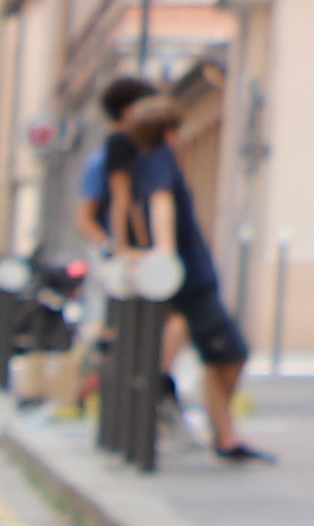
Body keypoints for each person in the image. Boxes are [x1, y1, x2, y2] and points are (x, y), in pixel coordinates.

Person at [85, 65, 267, 459]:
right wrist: (162, 249)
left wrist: (136, 247)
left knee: (213, 352)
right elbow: (158, 204)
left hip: (182, 275)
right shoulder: (162, 162)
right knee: (230, 353)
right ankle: (167, 391)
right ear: (170, 135)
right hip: (192, 279)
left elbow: (134, 205)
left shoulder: (146, 162)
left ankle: (224, 434)